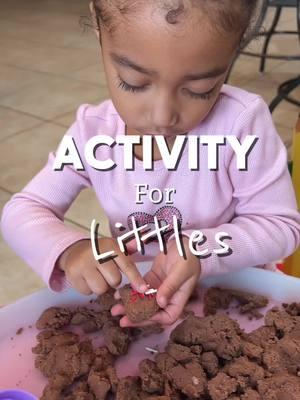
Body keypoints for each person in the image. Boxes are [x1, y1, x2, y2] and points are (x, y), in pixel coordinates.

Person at [1, 0, 300, 328]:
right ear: (100, 28)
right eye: (133, 82)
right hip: (142, 305)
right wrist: (69, 250)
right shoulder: (93, 134)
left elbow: (281, 228)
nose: (162, 116)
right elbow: (22, 211)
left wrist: (200, 249)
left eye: (200, 90)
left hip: (236, 302)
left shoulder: (241, 124)